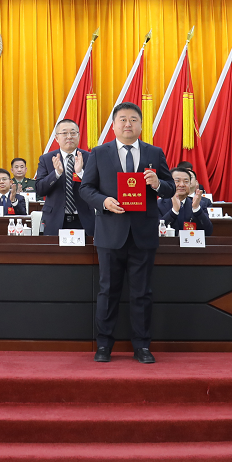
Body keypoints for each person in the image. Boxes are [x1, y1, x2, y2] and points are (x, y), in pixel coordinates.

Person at [79, 102, 175, 364]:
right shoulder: (99, 153)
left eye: (133, 119)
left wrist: (158, 184)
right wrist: (104, 202)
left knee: (142, 292)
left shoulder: (154, 152)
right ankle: (103, 345)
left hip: (143, 233)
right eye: (122, 119)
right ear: (113, 125)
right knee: (107, 290)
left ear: (141, 125)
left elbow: (170, 187)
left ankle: (142, 346)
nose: (128, 124)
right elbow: (86, 188)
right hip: (110, 233)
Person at [35, 118, 96, 237]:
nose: (69, 137)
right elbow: (40, 189)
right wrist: (56, 173)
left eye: (73, 133)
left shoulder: (90, 158)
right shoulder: (46, 159)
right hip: (54, 220)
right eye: (64, 133)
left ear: (79, 135)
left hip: (84, 219)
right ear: (56, 138)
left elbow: (97, 187)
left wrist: (81, 173)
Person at [161, 168, 213, 233]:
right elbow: (155, 229)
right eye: (177, 181)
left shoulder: (200, 204)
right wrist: (174, 211)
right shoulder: (159, 204)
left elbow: (208, 231)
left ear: (190, 184)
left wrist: (196, 210)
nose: (182, 185)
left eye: (186, 181)